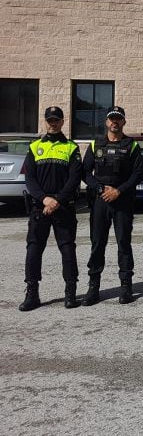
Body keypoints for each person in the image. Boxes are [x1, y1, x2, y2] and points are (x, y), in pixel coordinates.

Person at [19, 106, 83, 312]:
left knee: (67, 248)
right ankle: (32, 293)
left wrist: (57, 200)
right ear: (45, 122)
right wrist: (45, 199)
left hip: (63, 207)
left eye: (56, 120)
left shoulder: (71, 147)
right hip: (40, 207)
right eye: (50, 120)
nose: (53, 123)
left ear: (63, 122)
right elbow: (30, 179)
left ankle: (70, 292)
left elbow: (74, 179)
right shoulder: (35, 147)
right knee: (34, 248)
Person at [81, 105, 143, 305]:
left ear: (124, 121)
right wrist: (100, 188)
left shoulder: (132, 145)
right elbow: (84, 172)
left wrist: (119, 190)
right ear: (106, 122)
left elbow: (138, 173)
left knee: (124, 242)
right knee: (98, 243)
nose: (114, 122)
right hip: (100, 201)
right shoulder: (95, 145)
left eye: (118, 118)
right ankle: (93, 287)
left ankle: (126, 286)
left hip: (122, 200)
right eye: (111, 118)